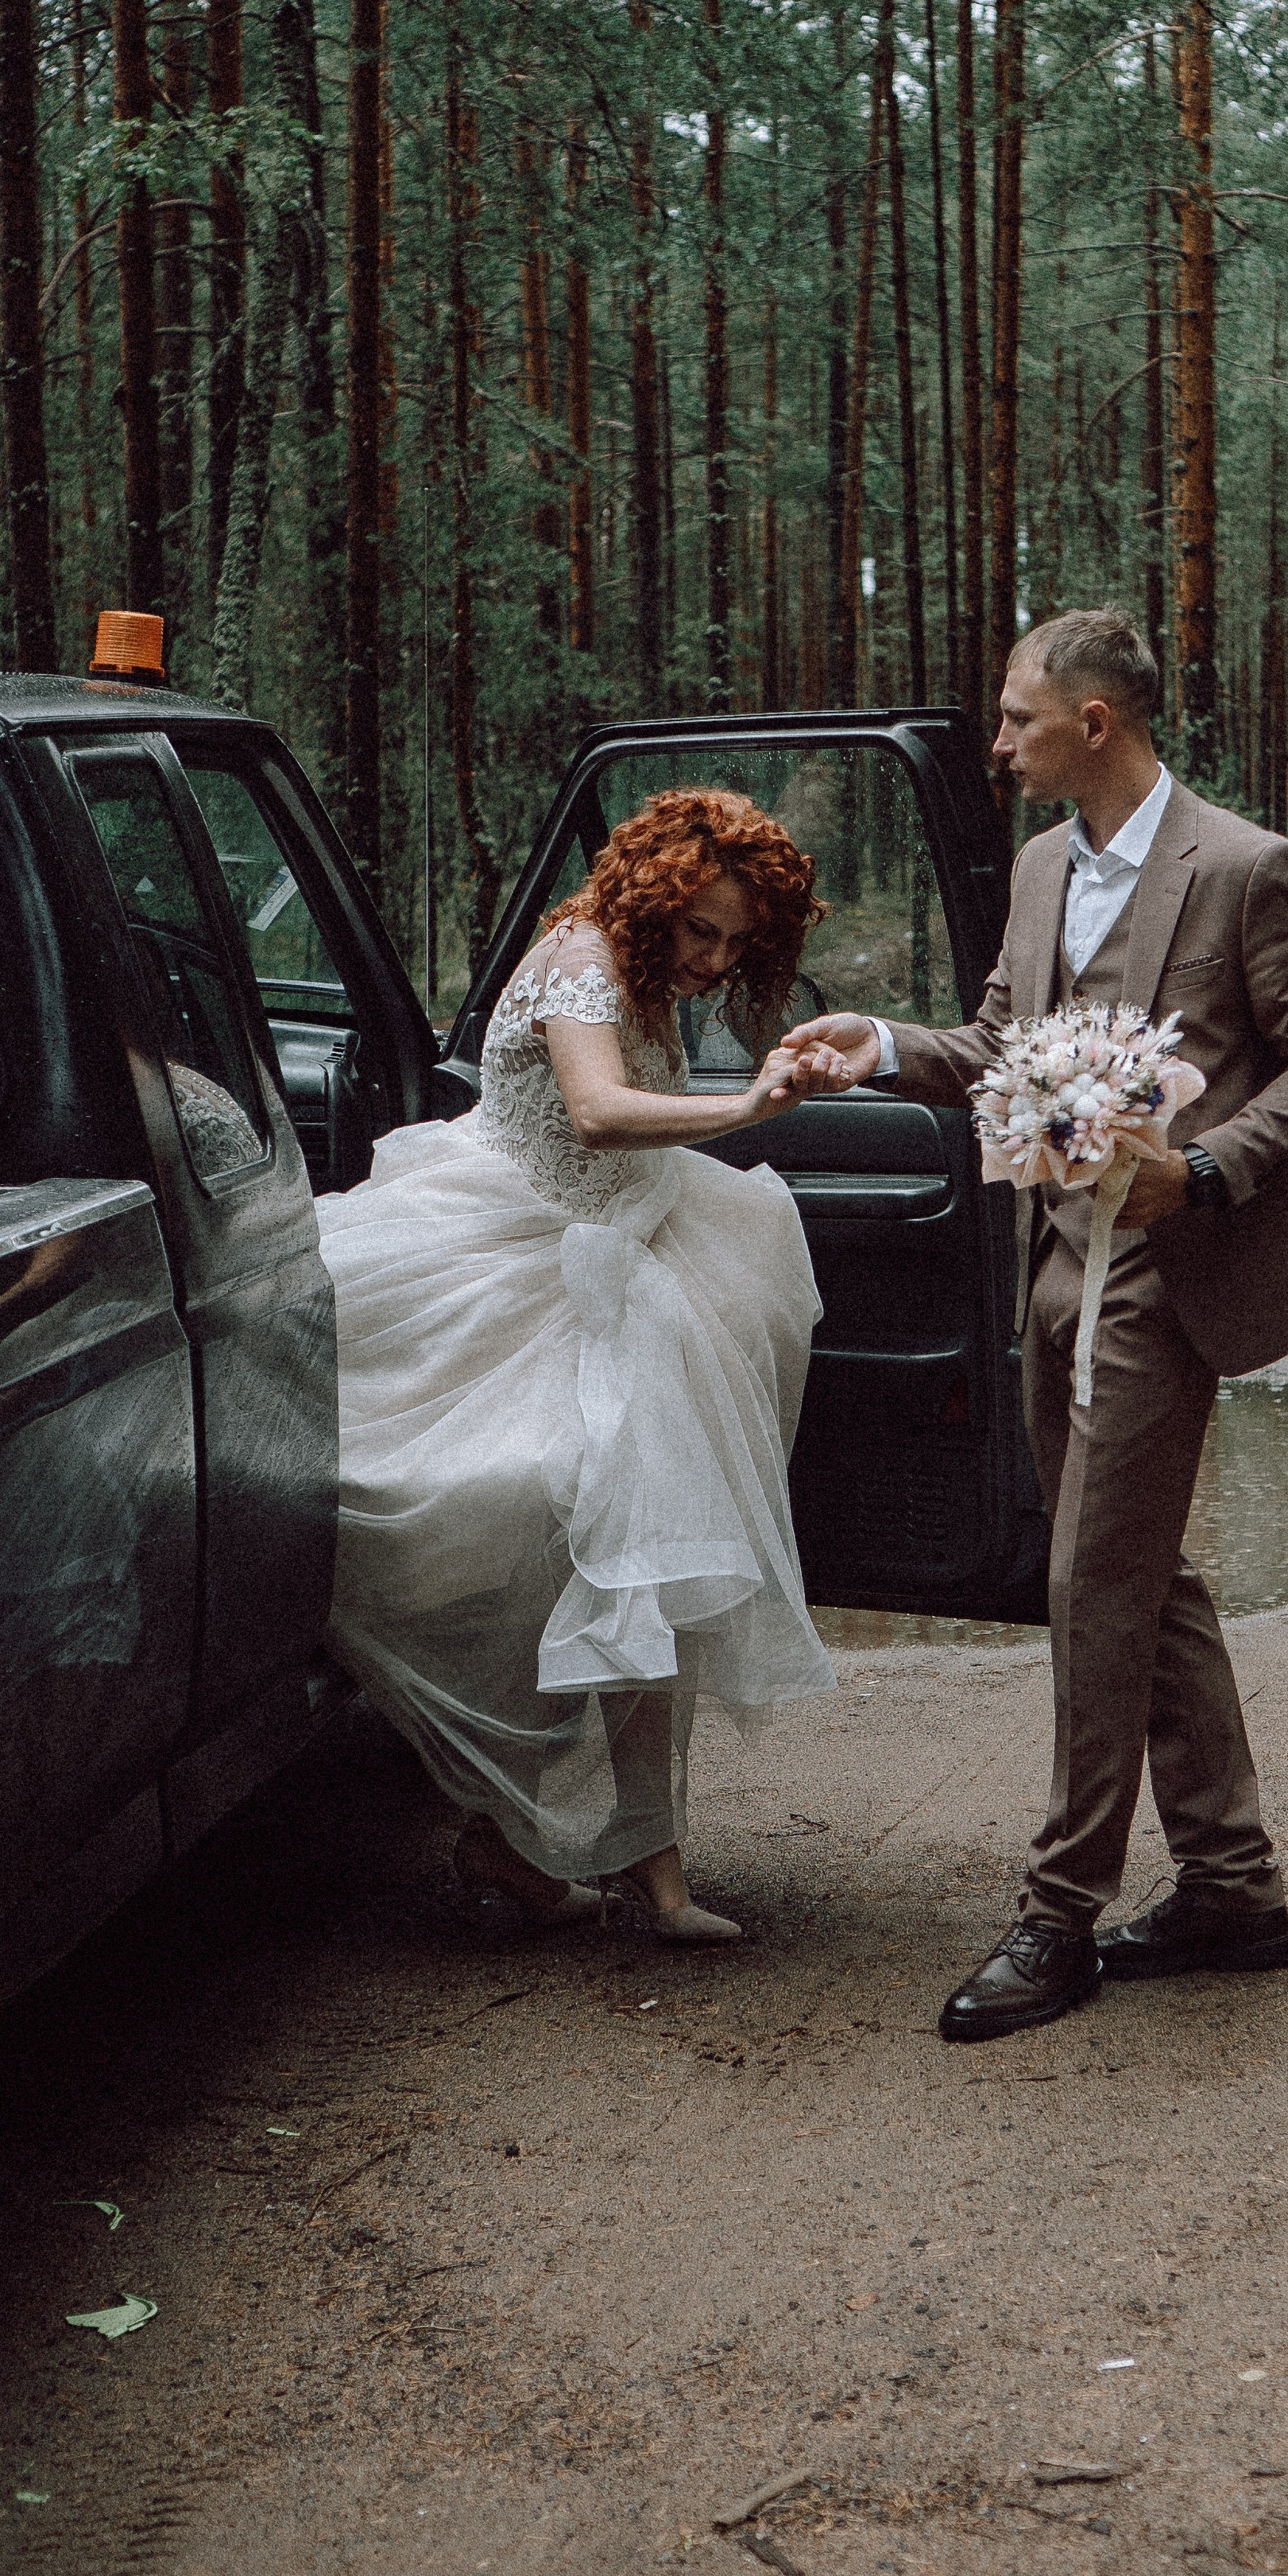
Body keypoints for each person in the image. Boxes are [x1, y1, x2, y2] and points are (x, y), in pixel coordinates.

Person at [786, 611, 1288, 2038]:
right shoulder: (1044, 868)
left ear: (1095, 724)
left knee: (1091, 1590)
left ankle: (1060, 1915)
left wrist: (1211, 1167)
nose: (998, 742)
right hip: (1056, 1267)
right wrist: (881, 1048)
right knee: (1134, 1572)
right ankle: (1233, 1892)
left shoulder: (1241, 867)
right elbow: (996, 1045)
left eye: (1016, 718)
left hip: (1175, 1280)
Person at [316, 788, 857, 1943]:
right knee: (562, 1540)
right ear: (653, 895)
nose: (712, 960)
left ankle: (628, 1864)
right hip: (513, 1261)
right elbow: (599, 1111)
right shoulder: (579, 956)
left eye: (734, 943)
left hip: (632, 1254)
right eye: (699, 929)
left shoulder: (651, 970)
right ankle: (529, 1842)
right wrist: (748, 1105)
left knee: (640, 1557)